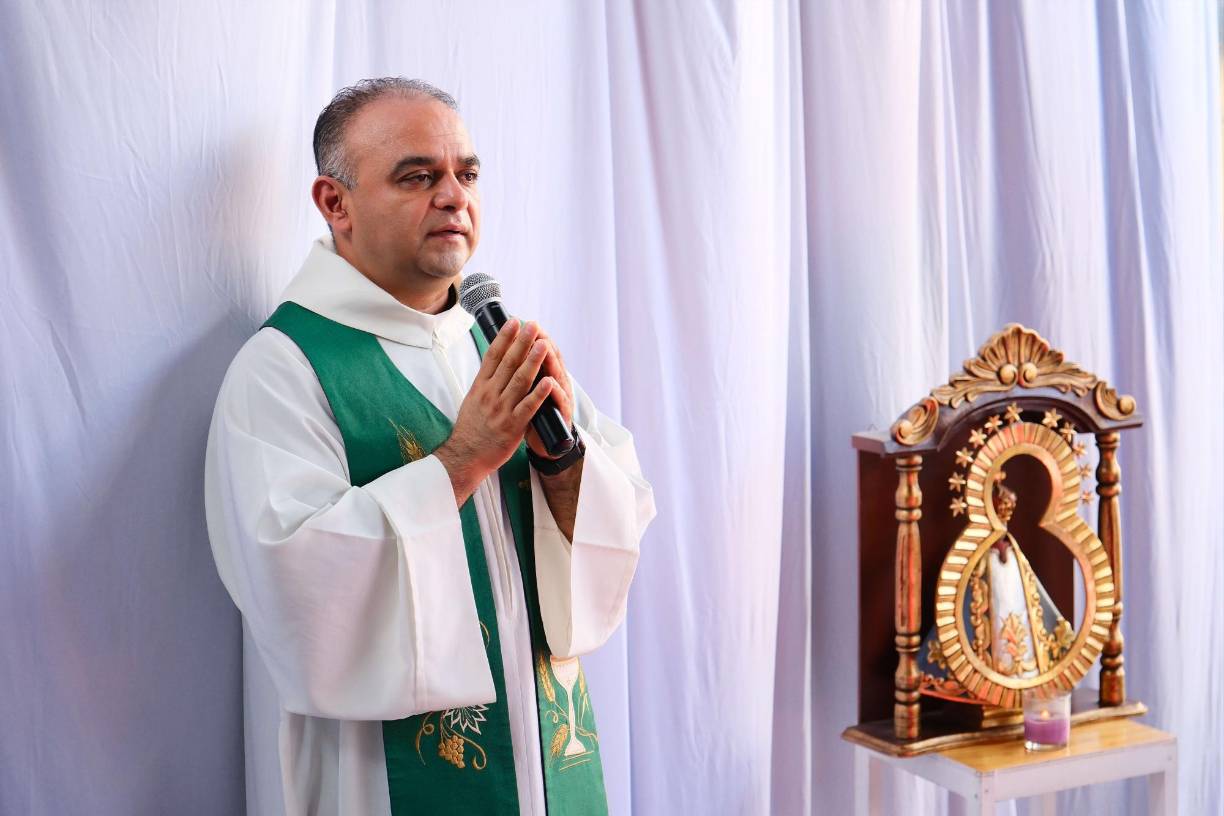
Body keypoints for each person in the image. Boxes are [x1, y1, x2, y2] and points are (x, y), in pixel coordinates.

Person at [204, 77, 655, 816]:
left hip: (545, 746)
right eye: (418, 176)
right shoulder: (284, 366)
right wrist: (463, 459)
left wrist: (562, 463)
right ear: (334, 203)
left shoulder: (494, 339)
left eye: (466, 174)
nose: (453, 196)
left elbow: (619, 515)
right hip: (385, 776)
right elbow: (292, 573)